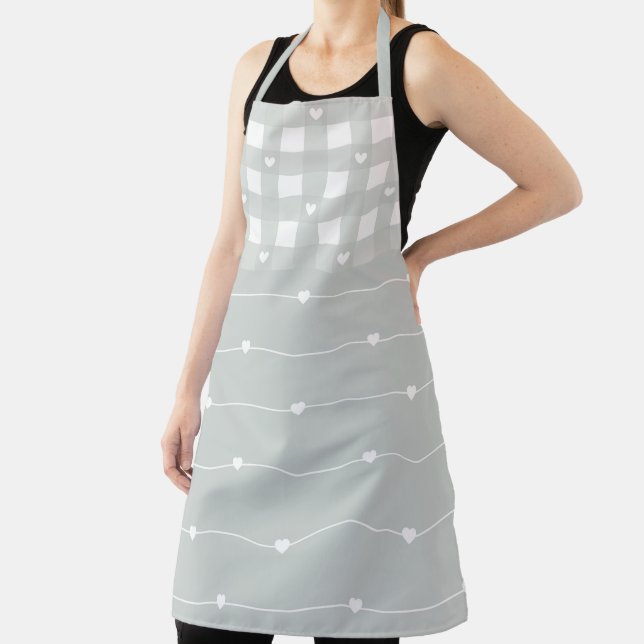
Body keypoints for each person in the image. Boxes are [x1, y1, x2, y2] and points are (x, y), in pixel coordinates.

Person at [161, 1, 583, 642]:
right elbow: (231, 242)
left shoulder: (421, 62)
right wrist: (187, 391)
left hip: (365, 420)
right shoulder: (255, 68)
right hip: (253, 409)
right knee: (207, 625)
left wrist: (423, 254)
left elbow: (554, 186)